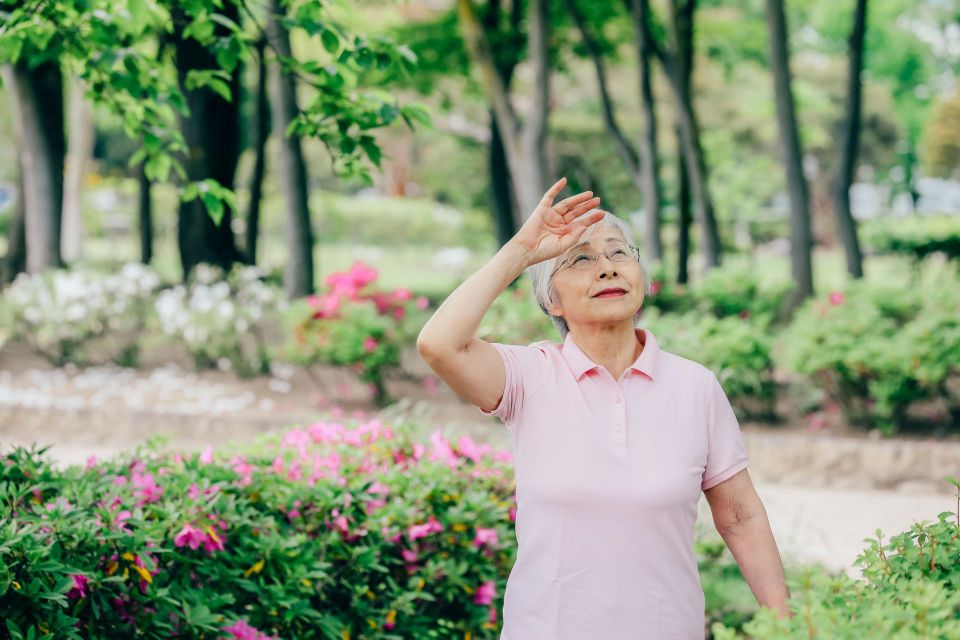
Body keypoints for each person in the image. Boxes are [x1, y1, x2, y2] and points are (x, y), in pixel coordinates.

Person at [416, 177, 792, 639]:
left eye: (619, 253)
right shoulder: (529, 376)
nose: (607, 268)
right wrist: (522, 248)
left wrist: (784, 625)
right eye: (580, 258)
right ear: (550, 298)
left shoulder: (695, 387)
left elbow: (739, 516)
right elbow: (439, 344)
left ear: (642, 278)